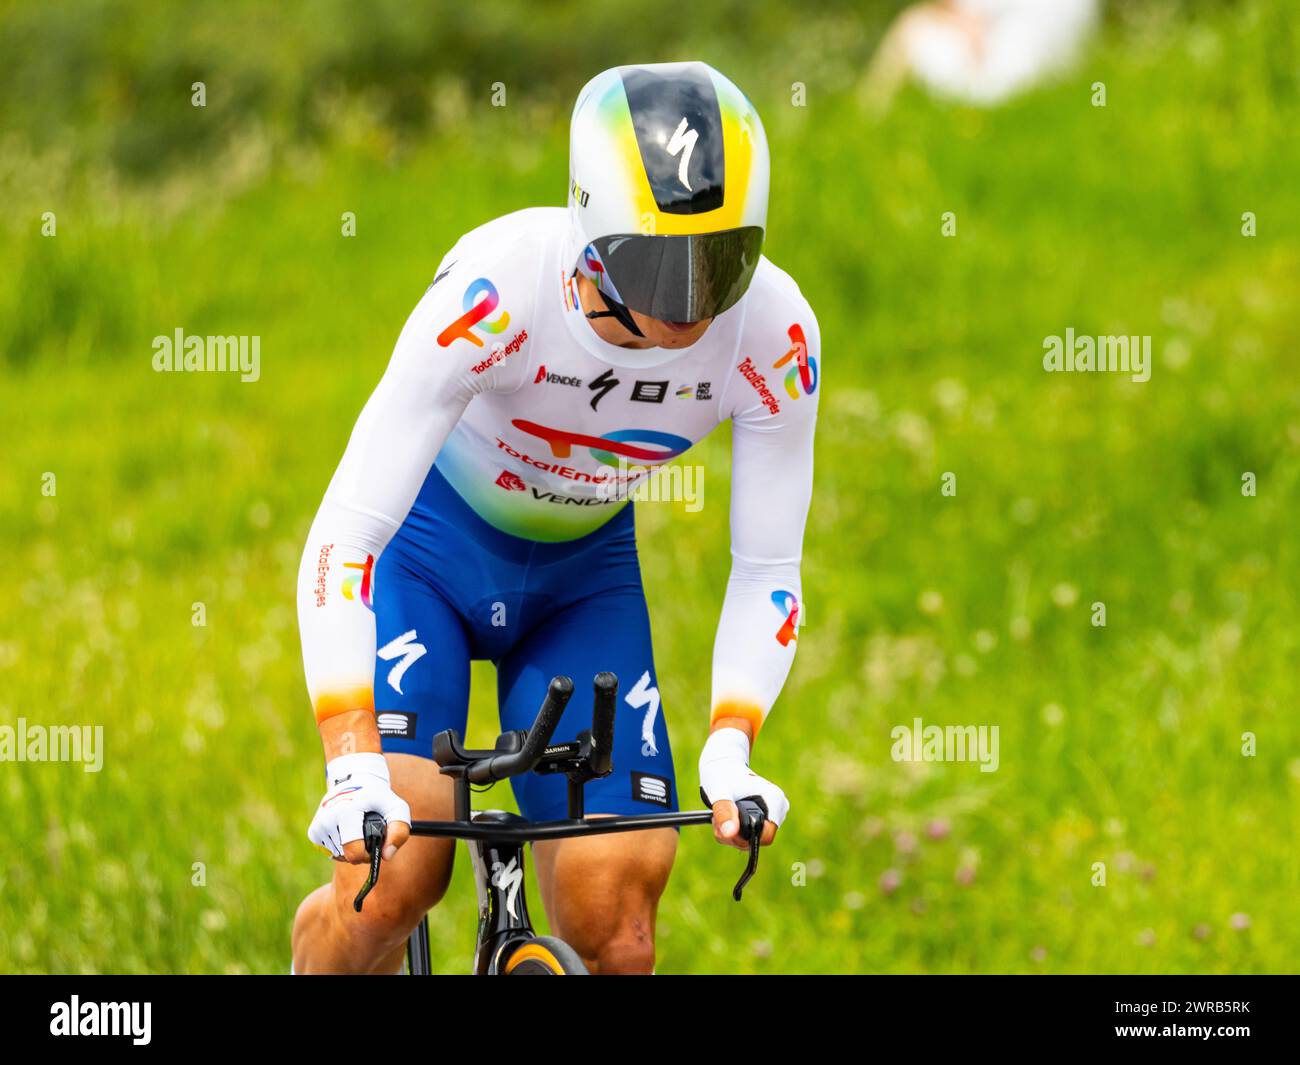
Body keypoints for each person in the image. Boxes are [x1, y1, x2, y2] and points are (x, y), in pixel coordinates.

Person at [291, 61, 820, 974]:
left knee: (620, 929)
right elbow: (348, 534)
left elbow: (768, 568)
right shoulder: (497, 294)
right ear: (591, 226)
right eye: (660, 263)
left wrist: (732, 749)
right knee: (390, 881)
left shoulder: (775, 333)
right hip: (427, 562)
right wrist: (351, 762)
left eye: (722, 260)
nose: (692, 303)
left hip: (584, 583)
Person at [861, 0, 1100, 111]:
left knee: (913, 22)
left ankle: (868, 111)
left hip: (1003, 88)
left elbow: (973, 28)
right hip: (1069, 76)